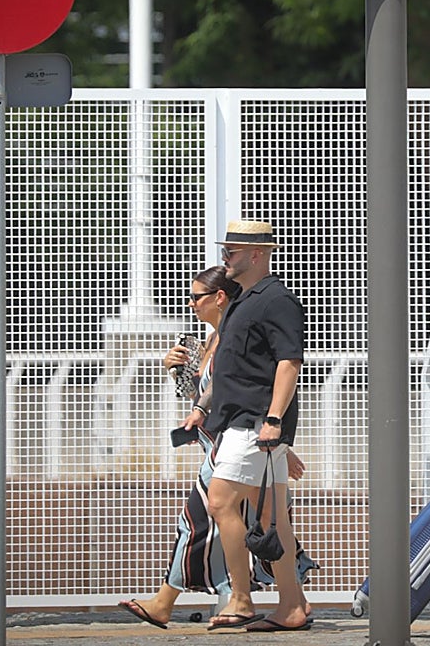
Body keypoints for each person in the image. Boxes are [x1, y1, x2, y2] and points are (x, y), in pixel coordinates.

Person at [118, 264, 317, 630]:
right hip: (224, 439)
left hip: (235, 439)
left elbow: (266, 378)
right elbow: (205, 392)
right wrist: (177, 372)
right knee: (266, 517)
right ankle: (291, 599)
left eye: (196, 297)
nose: (191, 304)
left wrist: (277, 433)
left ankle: (190, 600)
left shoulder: (240, 329)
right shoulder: (209, 339)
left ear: (218, 297)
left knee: (201, 518)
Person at [178, 219, 310, 633]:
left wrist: (273, 421)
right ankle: (292, 604)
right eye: (225, 250)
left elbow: (289, 363)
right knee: (273, 516)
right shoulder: (241, 301)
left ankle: (240, 597)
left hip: (254, 423)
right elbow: (232, 367)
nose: (225, 258)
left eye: (231, 251)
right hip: (238, 421)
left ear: (257, 254)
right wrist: (202, 407)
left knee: (219, 501)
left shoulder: (277, 300)